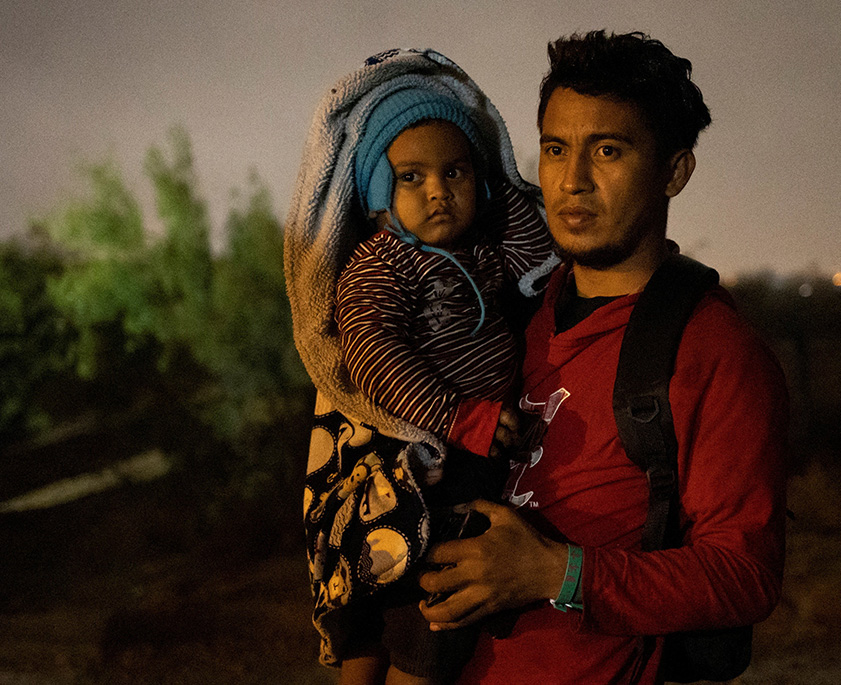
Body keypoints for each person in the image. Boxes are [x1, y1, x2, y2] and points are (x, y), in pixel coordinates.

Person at [417, 31, 789, 684]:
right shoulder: (509, 318)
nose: (573, 180)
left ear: (674, 170)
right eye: (556, 148)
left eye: (609, 150)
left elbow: (743, 572)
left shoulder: (715, 352)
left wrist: (553, 572)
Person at [283, 49, 557, 685]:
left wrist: (501, 191)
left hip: (474, 447)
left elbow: (536, 253)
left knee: (416, 628)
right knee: (427, 624)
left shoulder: (486, 248)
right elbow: (376, 358)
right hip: (423, 462)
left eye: (456, 171)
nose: (439, 189)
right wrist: (460, 418)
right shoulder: (382, 265)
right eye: (411, 177)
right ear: (379, 195)